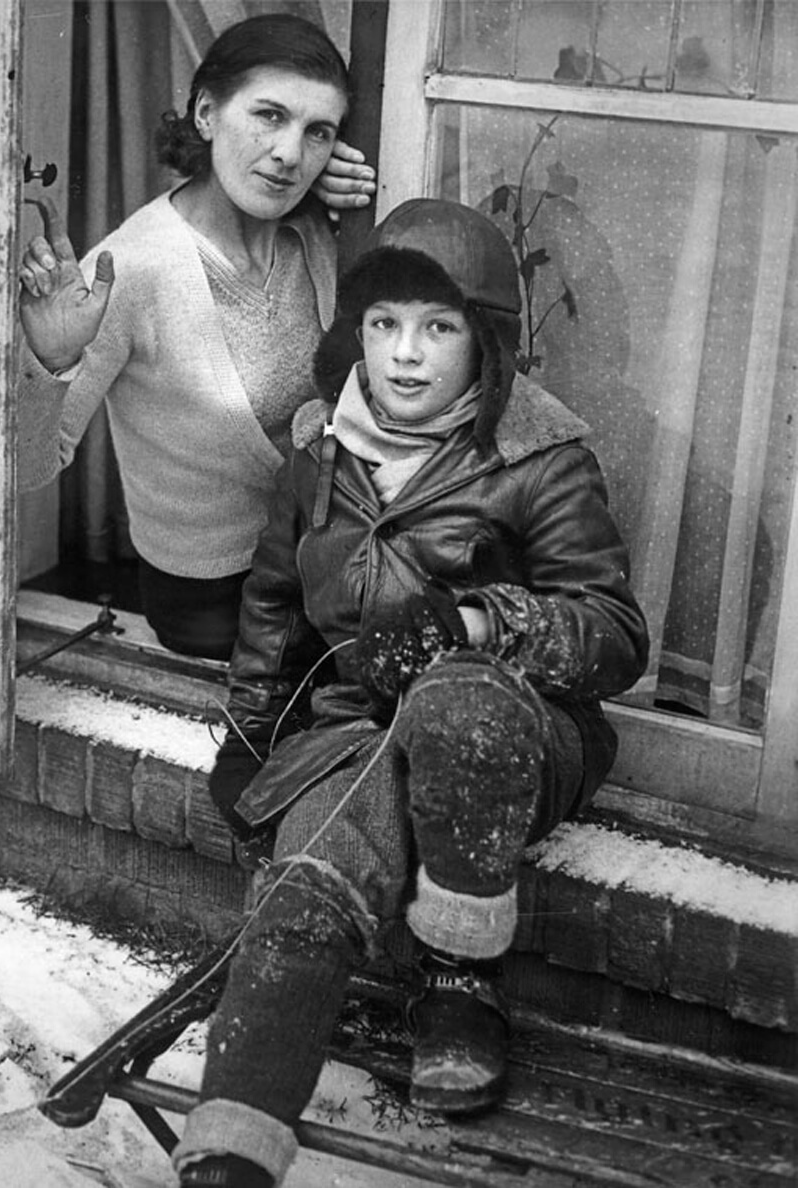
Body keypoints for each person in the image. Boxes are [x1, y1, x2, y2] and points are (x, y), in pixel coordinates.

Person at [173, 198, 650, 1187]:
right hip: (360, 732)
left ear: (486, 343)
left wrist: (471, 623)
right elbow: (272, 598)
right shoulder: (319, 451)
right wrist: (252, 728)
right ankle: (229, 1147)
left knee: (452, 704)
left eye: (438, 328)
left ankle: (459, 981)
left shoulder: (538, 458)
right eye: (384, 324)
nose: (404, 354)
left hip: (511, 729)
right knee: (305, 890)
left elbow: (612, 636)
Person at [16, 13, 375, 660]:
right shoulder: (132, 267)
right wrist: (52, 358)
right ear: (207, 114)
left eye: (317, 132)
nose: (291, 152)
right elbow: (26, 468)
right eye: (268, 116)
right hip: (212, 596)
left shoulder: (319, 231)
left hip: (320, 559)